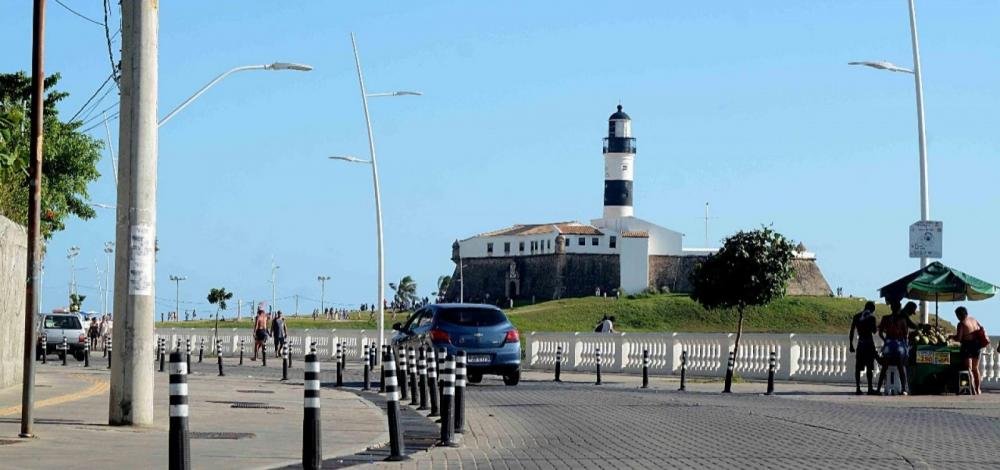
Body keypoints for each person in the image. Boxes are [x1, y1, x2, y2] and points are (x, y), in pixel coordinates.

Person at [878, 301, 918, 395]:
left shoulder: (885, 318)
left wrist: (886, 340)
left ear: (891, 308)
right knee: (901, 366)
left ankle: (878, 388)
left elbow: (880, 333)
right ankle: (904, 389)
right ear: (900, 308)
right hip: (899, 347)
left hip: (888, 347)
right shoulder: (903, 319)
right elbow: (905, 335)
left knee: (884, 367)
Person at [950, 306, 987, 395]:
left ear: (959, 315)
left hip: (967, 346)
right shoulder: (973, 320)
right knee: (975, 368)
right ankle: (978, 389)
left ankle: (973, 389)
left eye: (957, 315)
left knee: (969, 369)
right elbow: (980, 329)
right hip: (977, 345)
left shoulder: (961, 323)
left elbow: (959, 338)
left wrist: (951, 337)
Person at [849, 301, 879, 395]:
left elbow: (852, 330)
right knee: (869, 367)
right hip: (869, 343)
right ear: (872, 309)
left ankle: (858, 388)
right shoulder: (871, 317)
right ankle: (870, 388)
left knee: (858, 367)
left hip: (860, 343)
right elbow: (874, 331)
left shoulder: (857, 316)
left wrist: (851, 344)